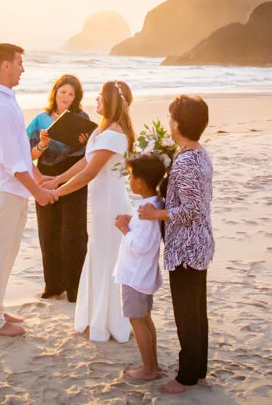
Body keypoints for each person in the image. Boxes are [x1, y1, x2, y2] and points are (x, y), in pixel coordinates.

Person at [0, 43, 58, 338]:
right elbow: (11, 161)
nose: (23, 68)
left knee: (6, 256)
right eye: (19, 63)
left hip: (13, 190)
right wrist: (37, 191)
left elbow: (22, 151)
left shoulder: (7, 100)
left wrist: (38, 177)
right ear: (6, 65)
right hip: (1, 190)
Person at [45, 80, 134, 343]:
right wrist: (57, 179)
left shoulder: (115, 134)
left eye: (99, 97)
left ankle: (110, 321)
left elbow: (90, 173)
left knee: (109, 259)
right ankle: (96, 316)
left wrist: (57, 194)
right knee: (98, 254)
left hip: (111, 205)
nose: (95, 101)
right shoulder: (101, 132)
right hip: (99, 205)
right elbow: (85, 161)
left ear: (110, 101)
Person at [138, 95, 213, 395]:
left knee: (187, 313)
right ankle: (196, 368)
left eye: (171, 118)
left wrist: (156, 213)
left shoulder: (186, 162)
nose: (168, 122)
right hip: (199, 243)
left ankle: (186, 377)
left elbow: (192, 208)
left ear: (179, 124)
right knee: (196, 309)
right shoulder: (200, 154)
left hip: (187, 247)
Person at [26, 74, 91, 302]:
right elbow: (26, 154)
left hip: (73, 174)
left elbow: (89, 154)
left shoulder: (82, 118)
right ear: (55, 93)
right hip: (45, 174)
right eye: (63, 91)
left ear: (76, 98)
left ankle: (75, 288)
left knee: (74, 231)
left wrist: (84, 141)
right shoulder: (40, 120)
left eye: (71, 94)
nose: (66, 96)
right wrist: (43, 144)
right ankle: (53, 285)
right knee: (48, 230)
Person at [114, 153, 166, 381]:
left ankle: (149, 369)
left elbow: (142, 245)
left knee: (137, 321)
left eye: (131, 176)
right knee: (145, 319)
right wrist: (131, 221)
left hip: (135, 275)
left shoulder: (147, 209)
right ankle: (152, 363)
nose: (129, 180)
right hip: (142, 275)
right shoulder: (151, 204)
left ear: (140, 182)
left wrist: (125, 229)